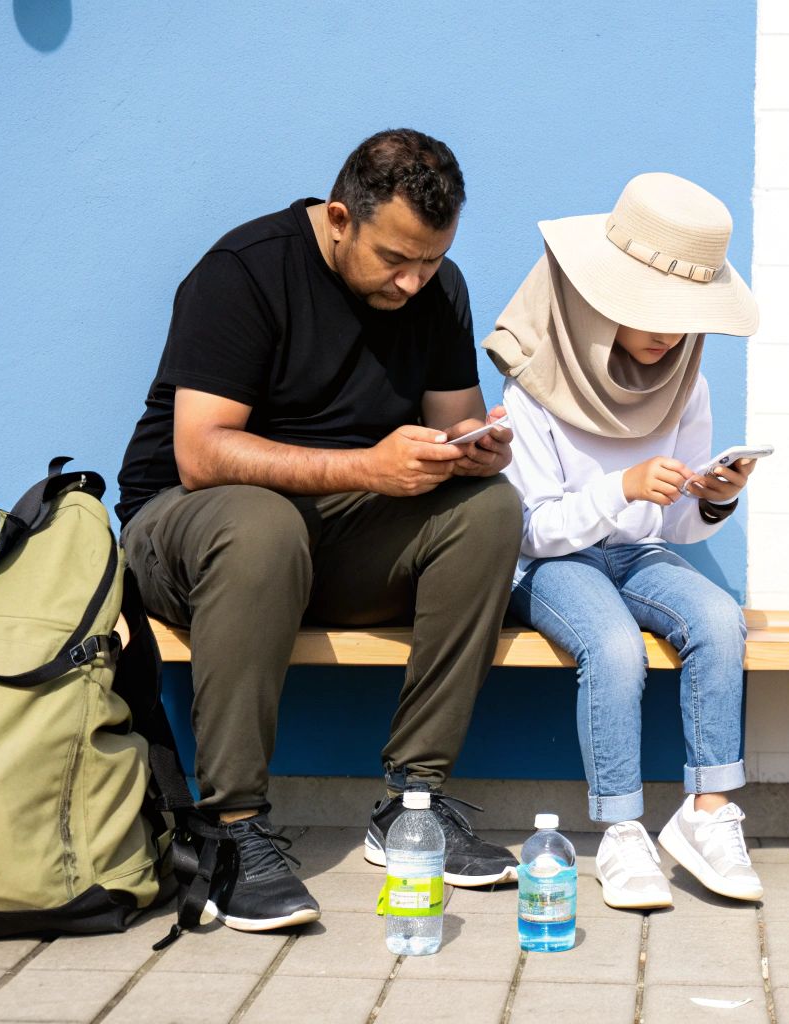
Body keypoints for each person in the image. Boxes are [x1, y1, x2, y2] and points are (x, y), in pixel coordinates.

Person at [115, 129, 522, 933]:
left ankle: (413, 805)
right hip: (192, 533)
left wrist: (474, 449)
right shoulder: (245, 270)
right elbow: (201, 455)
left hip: (328, 541)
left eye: (431, 261)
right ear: (340, 218)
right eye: (395, 259)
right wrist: (366, 469)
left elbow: (453, 420)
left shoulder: (438, 290)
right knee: (260, 522)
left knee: (492, 510)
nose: (412, 282)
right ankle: (233, 832)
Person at [485, 172, 764, 909]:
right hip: (547, 561)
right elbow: (533, 528)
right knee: (610, 645)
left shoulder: (684, 382)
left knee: (717, 620)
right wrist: (622, 488)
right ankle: (620, 832)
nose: (667, 333)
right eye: (647, 310)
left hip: (635, 551)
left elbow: (665, 525)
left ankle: (708, 815)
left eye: (683, 315)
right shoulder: (533, 387)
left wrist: (710, 500)